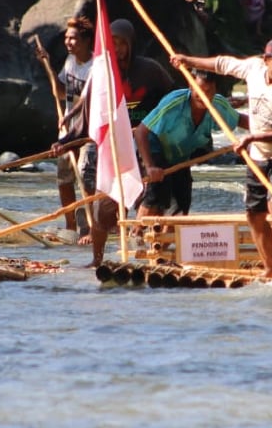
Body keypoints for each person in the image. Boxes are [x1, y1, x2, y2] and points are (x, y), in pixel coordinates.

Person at [171, 37, 272, 279]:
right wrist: (187, 60)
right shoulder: (253, 69)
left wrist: (251, 138)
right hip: (258, 153)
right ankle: (270, 267)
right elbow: (222, 64)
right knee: (253, 212)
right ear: (266, 61)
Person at [52, 18, 173, 267]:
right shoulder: (101, 76)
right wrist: (67, 141)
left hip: (145, 146)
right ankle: (97, 260)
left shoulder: (150, 70)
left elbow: (172, 100)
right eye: (112, 43)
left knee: (150, 202)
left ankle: (145, 256)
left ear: (131, 44)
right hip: (112, 148)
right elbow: (87, 115)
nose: (117, 49)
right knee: (103, 207)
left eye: (122, 44)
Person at [133, 69, 247, 217]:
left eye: (209, 92)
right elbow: (140, 132)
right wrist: (149, 167)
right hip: (154, 149)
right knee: (156, 196)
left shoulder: (218, 105)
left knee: (181, 209)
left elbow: (241, 120)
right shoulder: (173, 103)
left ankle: (165, 239)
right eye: (199, 91)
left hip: (180, 158)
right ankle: (138, 233)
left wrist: (265, 131)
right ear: (191, 87)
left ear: (215, 90)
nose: (204, 97)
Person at [35, 15, 94, 239]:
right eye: (67, 38)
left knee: (85, 178)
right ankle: (71, 228)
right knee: (65, 178)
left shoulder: (95, 65)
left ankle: (89, 228)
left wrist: (71, 116)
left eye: (74, 38)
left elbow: (87, 99)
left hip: (87, 131)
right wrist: (47, 64)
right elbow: (59, 92)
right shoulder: (70, 62)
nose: (68, 43)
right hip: (67, 129)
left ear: (87, 40)